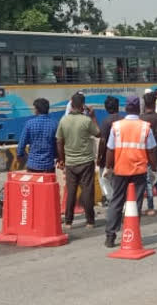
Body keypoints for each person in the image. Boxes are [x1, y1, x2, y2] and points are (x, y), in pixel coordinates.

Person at [104, 95, 157, 248]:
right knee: (135, 203)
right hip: (139, 170)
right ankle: (132, 233)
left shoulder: (117, 126)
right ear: (138, 109)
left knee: (116, 201)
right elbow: (151, 150)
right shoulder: (145, 127)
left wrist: (108, 167)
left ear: (126, 108)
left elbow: (110, 149)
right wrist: (154, 168)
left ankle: (110, 236)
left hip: (120, 169)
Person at [56, 92, 99, 229]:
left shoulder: (64, 120)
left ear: (71, 104)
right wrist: (92, 117)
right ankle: (90, 221)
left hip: (70, 162)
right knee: (87, 191)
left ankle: (68, 221)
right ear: (82, 106)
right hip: (86, 161)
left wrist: (62, 159)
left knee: (71, 191)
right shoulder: (86, 121)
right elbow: (98, 133)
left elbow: (59, 141)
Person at [141, 92, 157, 216]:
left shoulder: (141, 119)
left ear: (145, 103)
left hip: (145, 152)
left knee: (148, 180)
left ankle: (151, 206)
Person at [17, 98, 57, 173]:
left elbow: (22, 144)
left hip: (32, 165)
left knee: (33, 185)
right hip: (48, 166)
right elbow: (57, 143)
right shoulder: (54, 124)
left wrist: (20, 155)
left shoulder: (29, 124)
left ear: (37, 110)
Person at [96, 96, 122, 206]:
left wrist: (99, 157)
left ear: (106, 108)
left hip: (108, 158)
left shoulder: (106, 122)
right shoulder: (122, 120)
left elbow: (103, 141)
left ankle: (111, 200)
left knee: (104, 179)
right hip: (121, 157)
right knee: (118, 182)